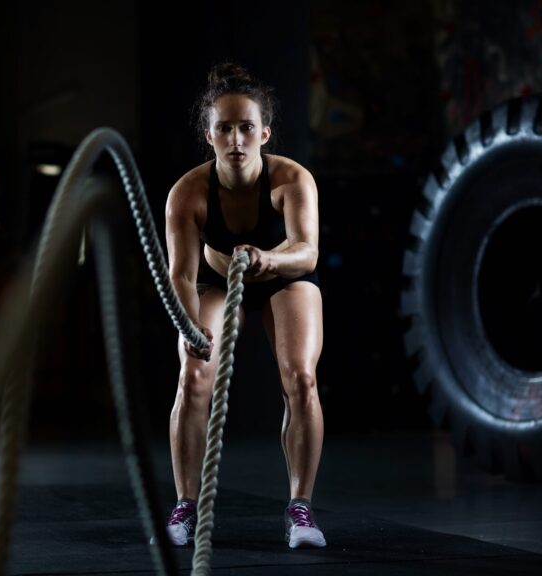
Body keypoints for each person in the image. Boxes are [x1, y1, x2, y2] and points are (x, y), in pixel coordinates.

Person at [162, 63, 326, 549]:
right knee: (193, 376)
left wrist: (268, 259)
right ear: (208, 134)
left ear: (265, 132)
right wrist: (193, 331)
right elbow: (181, 275)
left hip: (285, 275)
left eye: (247, 128)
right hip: (215, 279)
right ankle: (185, 505)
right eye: (225, 128)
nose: (236, 139)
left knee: (301, 376)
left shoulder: (291, 179)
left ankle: (301, 509)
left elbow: (307, 250)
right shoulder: (188, 193)